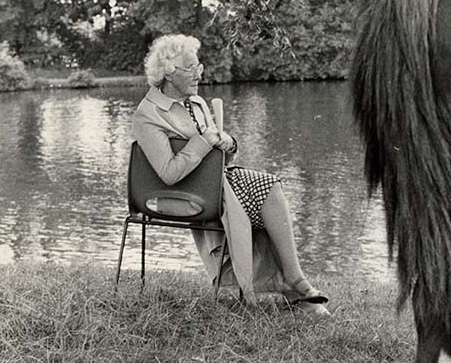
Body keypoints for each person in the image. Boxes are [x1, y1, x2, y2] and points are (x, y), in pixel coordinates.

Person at [131, 33, 330, 317]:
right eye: (191, 69)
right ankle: (289, 288)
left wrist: (228, 143)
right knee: (257, 197)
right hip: (180, 193)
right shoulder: (148, 115)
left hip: (214, 182)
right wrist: (204, 142)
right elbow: (168, 174)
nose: (199, 75)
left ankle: (295, 280)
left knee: (270, 186)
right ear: (169, 73)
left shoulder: (197, 103)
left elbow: (219, 158)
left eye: (199, 68)